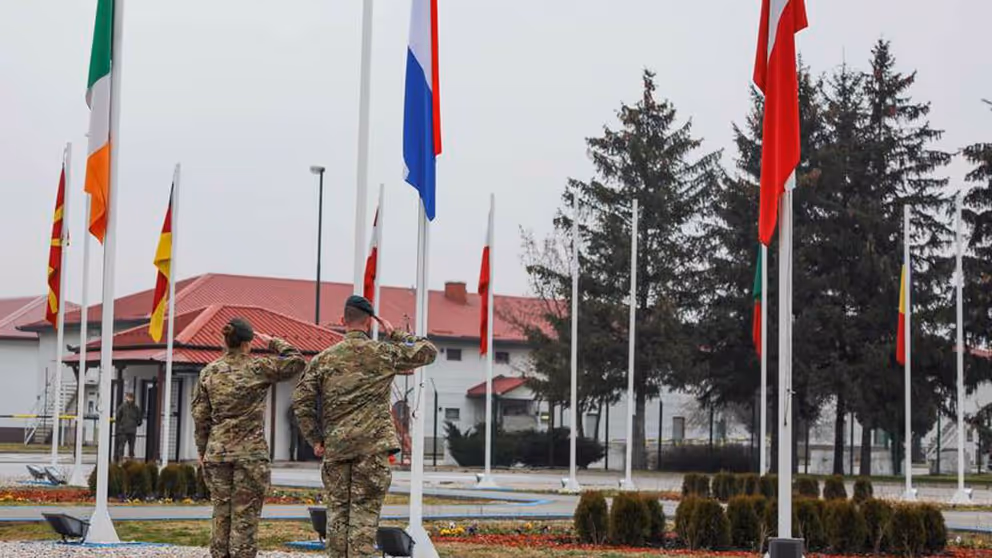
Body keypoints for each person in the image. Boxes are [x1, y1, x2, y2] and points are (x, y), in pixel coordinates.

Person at [293, 295, 437, 558]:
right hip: (372, 451)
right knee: (364, 518)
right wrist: (393, 334)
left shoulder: (323, 360)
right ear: (370, 322)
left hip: (336, 450)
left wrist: (315, 438)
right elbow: (428, 351)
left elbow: (301, 401)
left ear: (342, 321)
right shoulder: (383, 353)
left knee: (337, 516)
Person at [192, 317, 306, 558]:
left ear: (225, 340)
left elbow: (200, 416)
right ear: (248, 343)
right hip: (250, 455)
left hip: (217, 454)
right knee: (245, 517)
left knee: (221, 513)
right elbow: (296, 361)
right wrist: (273, 342)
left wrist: (202, 451)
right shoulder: (258, 368)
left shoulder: (209, 372)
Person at [114, 392, 142, 461]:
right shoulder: (133, 408)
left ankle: (123, 460)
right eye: (129, 397)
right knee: (125, 446)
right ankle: (124, 460)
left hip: (127, 430)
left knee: (127, 447)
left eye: (130, 397)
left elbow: (118, 417)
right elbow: (118, 416)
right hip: (126, 430)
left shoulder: (125, 407)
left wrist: (121, 424)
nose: (129, 399)